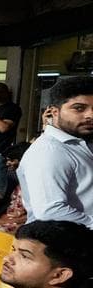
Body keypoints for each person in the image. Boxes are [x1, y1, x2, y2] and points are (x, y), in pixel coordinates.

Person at [18, 76, 93, 228]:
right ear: (54, 112)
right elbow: (49, 211)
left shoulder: (79, 143)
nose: (90, 115)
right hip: (65, 244)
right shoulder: (49, 151)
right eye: (79, 108)